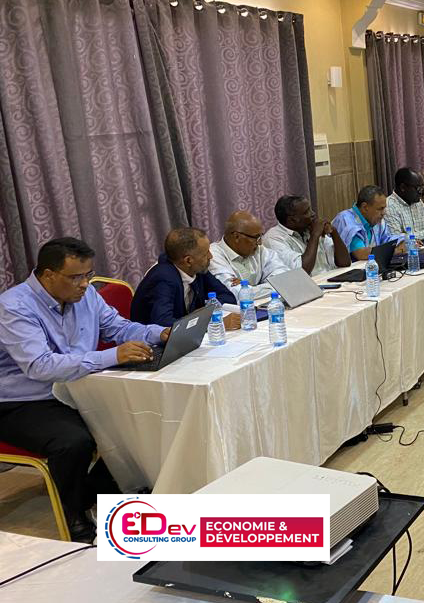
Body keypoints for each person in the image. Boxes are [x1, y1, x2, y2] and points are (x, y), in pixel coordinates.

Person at [0, 238, 172, 542]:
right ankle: (75, 515)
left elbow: (120, 328)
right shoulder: (14, 306)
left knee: (143, 418)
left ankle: (101, 494)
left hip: (77, 387)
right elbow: (40, 366)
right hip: (24, 400)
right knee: (73, 441)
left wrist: (161, 334)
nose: (85, 284)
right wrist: (112, 356)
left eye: (88, 275)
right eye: (76, 277)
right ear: (48, 275)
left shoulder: (87, 295)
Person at [131, 228, 241, 329]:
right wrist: (210, 322)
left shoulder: (197, 269)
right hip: (150, 342)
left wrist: (204, 311)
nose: (210, 256)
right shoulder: (163, 278)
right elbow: (163, 323)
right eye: (205, 253)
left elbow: (228, 296)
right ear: (188, 260)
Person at [210, 211, 290, 299]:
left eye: (261, 236)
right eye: (256, 237)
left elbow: (285, 279)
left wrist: (249, 287)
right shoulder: (213, 255)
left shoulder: (259, 250)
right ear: (236, 237)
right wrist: (269, 286)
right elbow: (235, 294)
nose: (260, 243)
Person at [263, 195, 351, 276]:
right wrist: (315, 235)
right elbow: (302, 271)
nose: (313, 214)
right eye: (306, 212)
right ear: (291, 220)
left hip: (330, 280)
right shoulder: (273, 239)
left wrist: (333, 232)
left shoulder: (308, 228)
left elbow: (345, 262)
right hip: (307, 286)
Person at [333, 185, 408, 261]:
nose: (383, 213)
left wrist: (402, 242)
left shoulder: (375, 220)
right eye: (380, 209)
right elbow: (361, 253)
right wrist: (392, 251)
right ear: (365, 207)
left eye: (384, 208)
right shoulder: (346, 220)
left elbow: (388, 240)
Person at [383, 167, 424, 241]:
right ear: (403, 187)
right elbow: (397, 238)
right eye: (417, 188)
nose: (420, 192)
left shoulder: (418, 201)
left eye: (422, 187)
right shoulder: (389, 206)